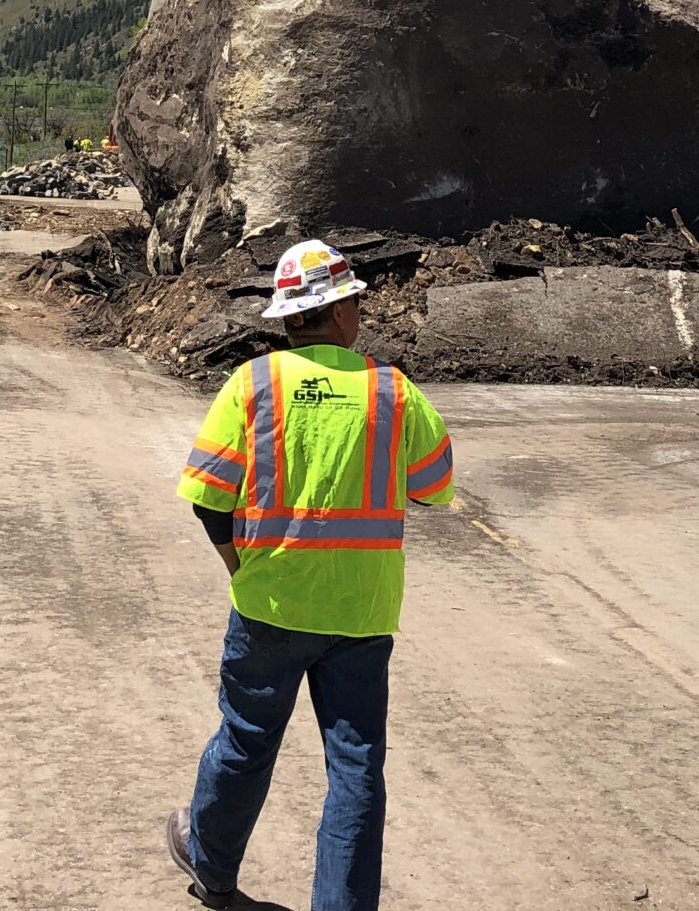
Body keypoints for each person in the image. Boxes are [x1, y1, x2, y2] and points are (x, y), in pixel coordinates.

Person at [167, 240, 457, 911]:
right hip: (361, 615)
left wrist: (244, 568)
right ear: (342, 308)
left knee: (245, 740)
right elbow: (435, 487)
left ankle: (211, 866)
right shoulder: (391, 390)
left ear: (290, 317)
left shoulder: (254, 383)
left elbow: (208, 495)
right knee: (355, 770)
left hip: (270, 605)